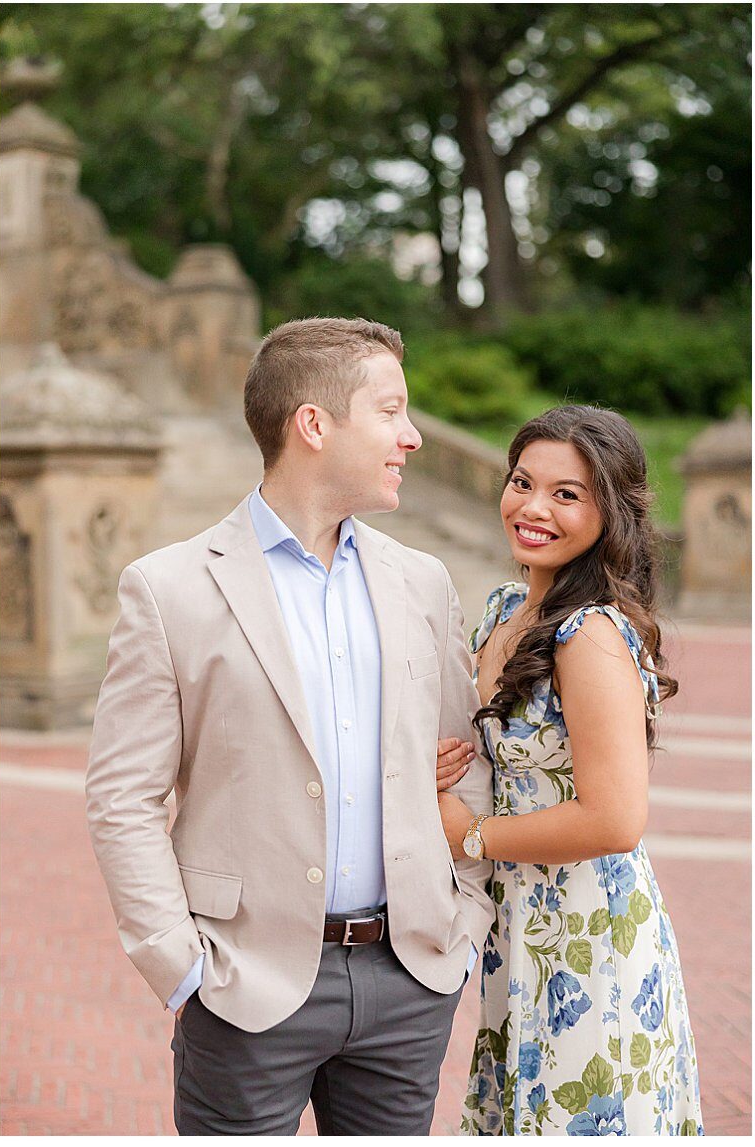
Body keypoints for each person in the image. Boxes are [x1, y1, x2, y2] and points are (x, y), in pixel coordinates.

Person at [86, 317, 494, 1134]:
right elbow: (122, 797)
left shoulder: (424, 583)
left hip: (409, 982)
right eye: (390, 412)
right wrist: (180, 965)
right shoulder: (168, 589)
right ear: (314, 423)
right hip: (244, 988)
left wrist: (461, 923)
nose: (411, 436)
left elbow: (466, 760)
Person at [431, 406, 702, 1135]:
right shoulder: (501, 611)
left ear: (610, 512)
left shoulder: (590, 634)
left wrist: (473, 836)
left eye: (567, 494)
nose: (533, 507)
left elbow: (616, 819)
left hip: (588, 934)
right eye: (522, 481)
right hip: (519, 920)